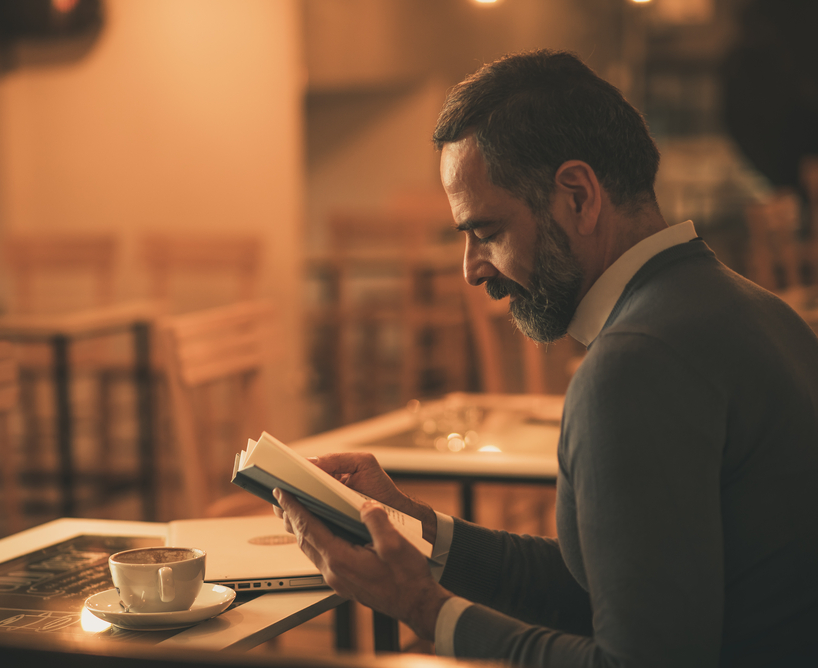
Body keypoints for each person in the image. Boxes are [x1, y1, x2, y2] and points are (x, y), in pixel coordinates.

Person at [274, 50, 818, 667]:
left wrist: (426, 610)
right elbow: (618, 593)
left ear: (579, 196)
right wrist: (420, 531)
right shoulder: (760, 312)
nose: (472, 270)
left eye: (486, 233)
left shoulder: (635, 365)